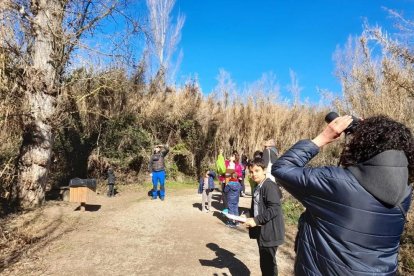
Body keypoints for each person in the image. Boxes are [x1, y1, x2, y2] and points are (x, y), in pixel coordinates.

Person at [272, 115, 414, 275]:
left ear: (361, 144)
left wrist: (323, 138)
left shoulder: (336, 183)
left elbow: (281, 169)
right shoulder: (406, 192)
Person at [244, 157, 285, 276]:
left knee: (268, 265)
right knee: (265, 263)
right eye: (251, 172)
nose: (253, 174)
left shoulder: (269, 186)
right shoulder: (258, 187)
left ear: (264, 170)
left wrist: (256, 220)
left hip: (270, 232)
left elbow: (274, 209)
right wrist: (246, 217)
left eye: (257, 171)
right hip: (262, 231)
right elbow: (256, 208)